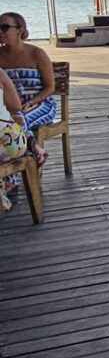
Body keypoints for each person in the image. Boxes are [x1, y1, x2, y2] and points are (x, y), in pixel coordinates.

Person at [0, 12, 55, 165]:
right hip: (12, 105)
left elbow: (50, 87)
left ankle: (33, 151)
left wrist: (31, 102)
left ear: (20, 30)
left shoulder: (37, 54)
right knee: (7, 120)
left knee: (17, 119)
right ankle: (32, 150)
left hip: (41, 103)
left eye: (4, 28)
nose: (0, 32)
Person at [0, 67, 29, 214]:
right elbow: (16, 106)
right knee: (17, 126)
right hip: (10, 143)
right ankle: (9, 183)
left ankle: (7, 183)